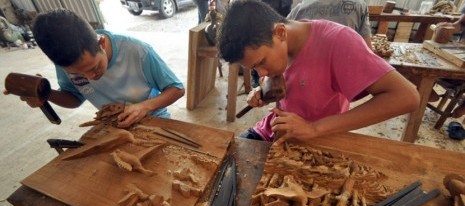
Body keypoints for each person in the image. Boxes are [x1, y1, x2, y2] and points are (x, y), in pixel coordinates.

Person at [217, 0, 419, 145]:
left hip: (316, 142)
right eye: (254, 68)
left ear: (280, 33)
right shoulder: (284, 33)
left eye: (261, 62)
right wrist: (263, 91)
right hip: (274, 130)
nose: (262, 72)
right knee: (229, 159)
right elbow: (288, 79)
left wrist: (313, 128)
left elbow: (407, 96)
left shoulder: (338, 41)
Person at [6, 9, 184, 128]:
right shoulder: (67, 62)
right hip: (111, 125)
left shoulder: (137, 51)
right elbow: (75, 98)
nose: (89, 77)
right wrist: (45, 94)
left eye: (93, 67)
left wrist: (145, 107)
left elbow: (177, 89)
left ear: (100, 43)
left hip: (154, 120)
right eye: (77, 74)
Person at [287, 0, 372, 49]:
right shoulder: (359, 5)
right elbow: (367, 49)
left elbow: (282, 46)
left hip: (306, 75)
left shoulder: (298, 9)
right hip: (344, 72)